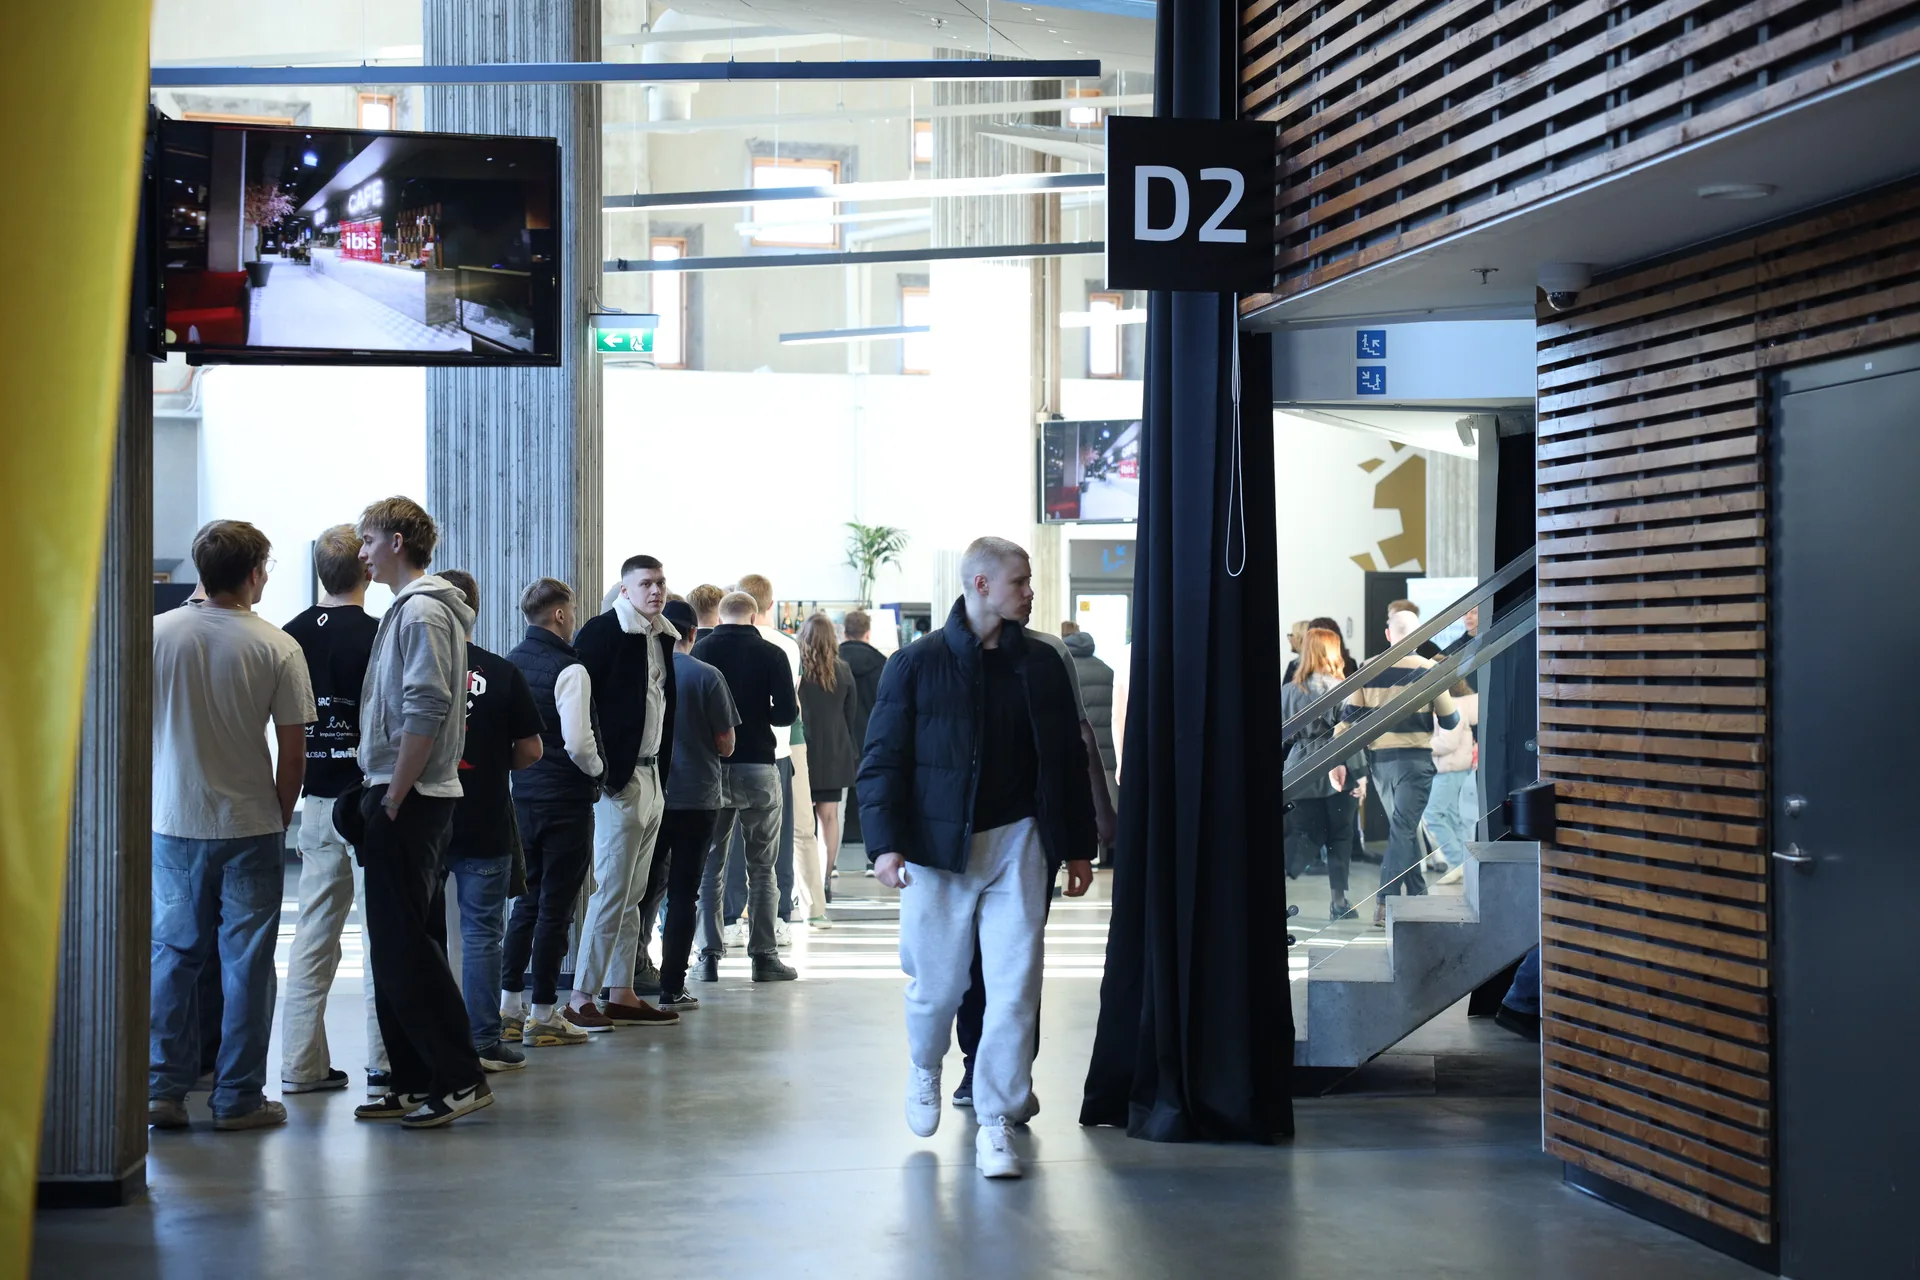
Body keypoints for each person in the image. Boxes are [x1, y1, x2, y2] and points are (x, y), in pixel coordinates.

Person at [859, 536, 1096, 1180]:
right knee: (937, 988)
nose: (1030, 592)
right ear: (982, 585)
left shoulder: (1042, 664)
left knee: (1015, 989)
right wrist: (884, 845)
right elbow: (882, 760)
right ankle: (924, 1065)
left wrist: (1079, 845)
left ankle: (997, 1118)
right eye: (1021, 581)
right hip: (938, 850)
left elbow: (1067, 761)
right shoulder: (916, 664)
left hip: (1022, 842)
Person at [149, 520, 315, 1132]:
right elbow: (293, 753)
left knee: (173, 956)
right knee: (246, 964)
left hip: (172, 822)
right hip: (250, 825)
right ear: (252, 573)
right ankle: (238, 1098)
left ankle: (162, 1091)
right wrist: (278, 815)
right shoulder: (277, 646)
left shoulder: (155, 635)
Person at [350, 496, 493, 1128]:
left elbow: (427, 706)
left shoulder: (424, 611)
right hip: (404, 794)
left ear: (398, 541)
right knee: (398, 947)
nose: (362, 552)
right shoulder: (411, 608)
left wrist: (393, 797)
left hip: (411, 799)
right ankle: (413, 1079)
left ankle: (459, 1078)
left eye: (369, 540)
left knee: (407, 950)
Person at [279, 524, 388, 1098]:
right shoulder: (380, 634)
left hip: (316, 802)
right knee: (381, 937)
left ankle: (299, 1065)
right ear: (366, 569)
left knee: (314, 936)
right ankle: (384, 1062)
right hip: (368, 801)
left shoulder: (289, 636)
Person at [435, 570, 543, 1073]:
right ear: (475, 610)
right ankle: (483, 1040)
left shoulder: (417, 666)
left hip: (425, 821)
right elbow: (531, 749)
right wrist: (494, 765)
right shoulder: (501, 672)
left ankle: (428, 1040)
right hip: (484, 818)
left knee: (424, 932)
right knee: (482, 934)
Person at [570, 555, 681, 1029]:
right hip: (621, 780)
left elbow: (661, 708)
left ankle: (622, 991)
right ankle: (580, 996)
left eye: (660, 583)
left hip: (652, 776)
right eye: (646, 584)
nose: (655, 591)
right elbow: (579, 704)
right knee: (612, 891)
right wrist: (603, 772)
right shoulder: (602, 632)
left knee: (634, 893)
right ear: (624, 589)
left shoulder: (661, 636)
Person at [501, 578, 604, 1048]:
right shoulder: (570, 668)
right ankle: (543, 1013)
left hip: (522, 796)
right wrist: (599, 771)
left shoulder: (510, 662)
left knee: (526, 901)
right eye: (573, 610)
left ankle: (509, 1008)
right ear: (560, 614)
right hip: (565, 799)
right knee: (556, 908)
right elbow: (579, 741)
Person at [690, 591, 799, 982]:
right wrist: (755, 712)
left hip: (712, 769)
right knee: (763, 868)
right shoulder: (772, 653)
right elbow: (786, 715)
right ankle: (764, 957)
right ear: (754, 617)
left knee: (711, 868)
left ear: (720, 617)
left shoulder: (701, 651)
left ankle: (707, 958)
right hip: (758, 768)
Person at [1341, 609, 1459, 928]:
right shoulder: (1429, 669)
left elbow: (1350, 718)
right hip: (1415, 762)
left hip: (1380, 763)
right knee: (1404, 829)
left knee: (1403, 829)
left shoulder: (1368, 669)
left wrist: (1339, 762)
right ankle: (1385, 901)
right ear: (1420, 635)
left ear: (1388, 634)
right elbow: (1450, 721)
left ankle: (1418, 895)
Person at [655, 598, 739, 1008]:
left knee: (639, 892)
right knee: (684, 893)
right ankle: (672, 986)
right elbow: (726, 745)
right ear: (692, 633)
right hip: (698, 797)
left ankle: (623, 981)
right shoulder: (707, 676)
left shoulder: (646, 674)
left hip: (651, 796)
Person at [1283, 628, 1366, 920]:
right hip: (1337, 765)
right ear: (1333, 651)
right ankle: (1339, 902)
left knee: (1305, 833)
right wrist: (1360, 775)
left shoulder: (1288, 691)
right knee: (1340, 835)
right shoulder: (1342, 688)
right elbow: (1350, 735)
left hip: (1298, 767)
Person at [739, 573, 802, 938]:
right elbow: (791, 702)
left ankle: (731, 917)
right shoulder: (787, 646)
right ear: (770, 604)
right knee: (776, 842)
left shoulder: (721, 643)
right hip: (778, 749)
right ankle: (779, 917)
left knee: (733, 844)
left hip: (733, 752)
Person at [796, 613, 858, 929]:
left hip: (803, 751)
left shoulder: (798, 669)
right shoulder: (842, 670)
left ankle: (804, 885)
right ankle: (825, 877)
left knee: (801, 824)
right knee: (829, 818)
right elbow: (851, 715)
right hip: (835, 751)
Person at [1060, 624, 1117, 866]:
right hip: (1107, 748)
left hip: (1078, 746)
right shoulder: (1106, 670)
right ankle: (1108, 853)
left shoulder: (1064, 669)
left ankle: (1082, 854)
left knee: (1077, 800)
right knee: (1107, 802)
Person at [839, 609, 887, 856]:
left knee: (835, 805)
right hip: (872, 736)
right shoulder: (883, 664)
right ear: (868, 633)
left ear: (844, 632)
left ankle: (833, 858)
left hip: (838, 740)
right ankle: (871, 854)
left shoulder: (830, 662)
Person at [1424, 677, 1479, 872]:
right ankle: (1465, 866)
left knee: (1433, 814)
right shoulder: (1456, 704)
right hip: (1452, 768)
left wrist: (1420, 745)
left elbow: (1448, 742)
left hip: (1449, 769)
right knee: (1452, 818)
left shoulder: (1452, 706)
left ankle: (1458, 864)